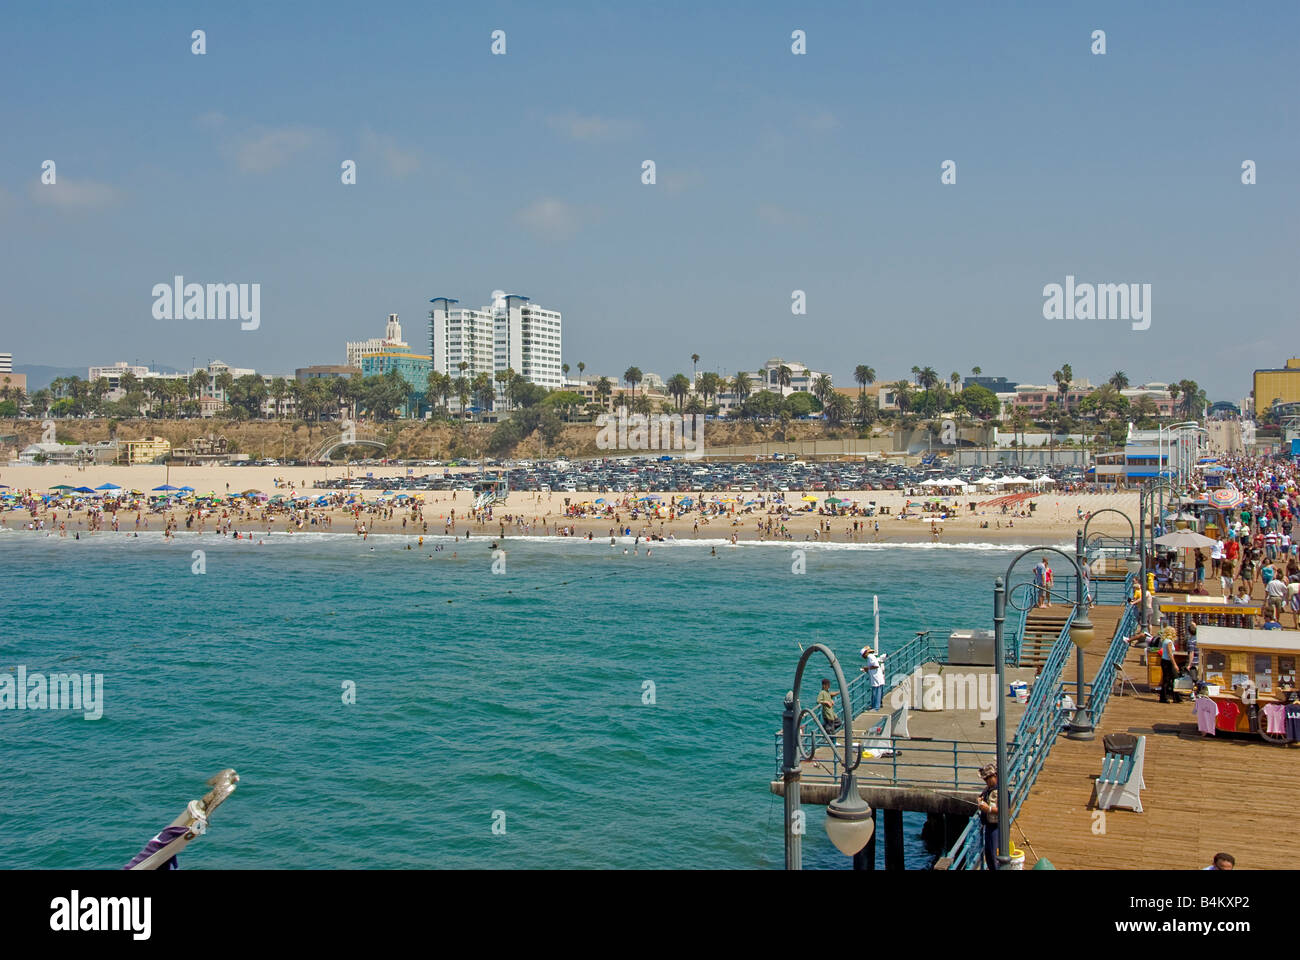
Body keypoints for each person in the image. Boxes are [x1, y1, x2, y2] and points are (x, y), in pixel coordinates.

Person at [976, 763, 1000, 870]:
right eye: (984, 779)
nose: (986, 781)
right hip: (988, 826)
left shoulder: (1001, 791)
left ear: (994, 775)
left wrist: (988, 809)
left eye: (987, 778)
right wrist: (980, 800)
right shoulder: (988, 789)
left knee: (994, 855)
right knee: (989, 854)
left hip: (997, 827)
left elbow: (1005, 811)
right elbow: (981, 797)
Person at [1159, 628, 1183, 704]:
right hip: (1168, 662)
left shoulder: (1165, 641)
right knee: (1173, 678)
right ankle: (1173, 697)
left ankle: (1165, 697)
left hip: (1165, 661)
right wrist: (1175, 664)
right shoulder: (1169, 642)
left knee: (1167, 679)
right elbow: (1170, 654)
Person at [861, 646, 887, 710]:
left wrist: (867, 668)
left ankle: (876, 707)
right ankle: (875, 705)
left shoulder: (870, 657)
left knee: (876, 692)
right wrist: (866, 669)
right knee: (877, 692)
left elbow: (876, 665)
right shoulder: (870, 657)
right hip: (876, 677)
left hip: (876, 677)